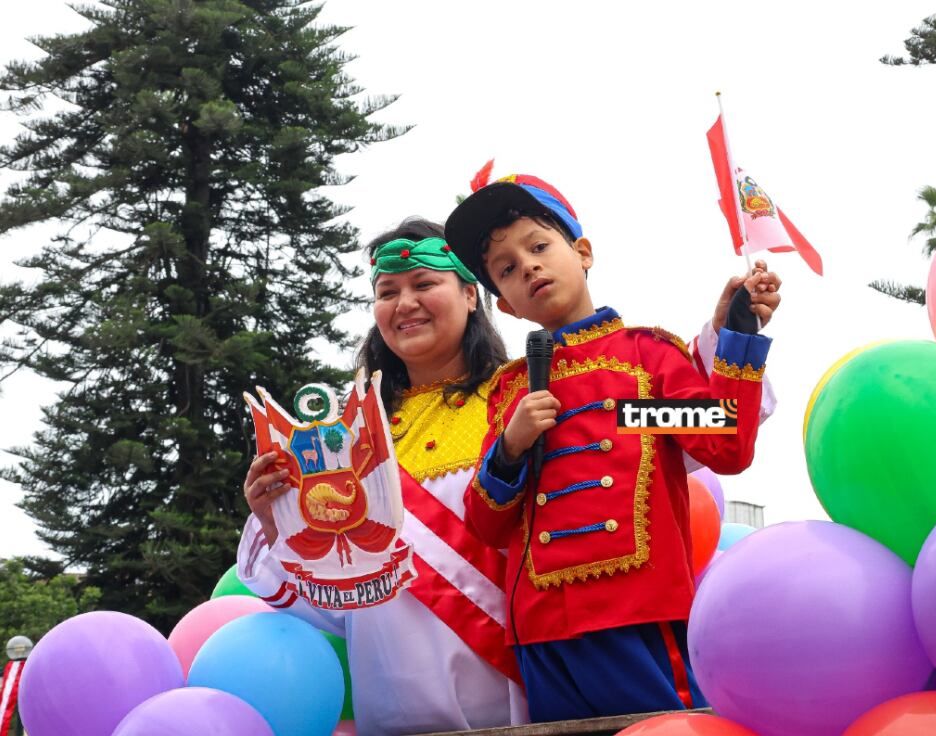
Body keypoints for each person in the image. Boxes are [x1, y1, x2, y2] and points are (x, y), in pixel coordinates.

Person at [445, 173, 778, 722]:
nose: (527, 266)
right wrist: (511, 448)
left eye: (538, 246)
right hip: (543, 631)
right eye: (506, 269)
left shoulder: (646, 361)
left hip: (640, 615)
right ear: (505, 305)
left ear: (583, 252)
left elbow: (725, 448)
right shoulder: (511, 390)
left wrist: (739, 337)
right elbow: (485, 524)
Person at [237, 218, 527, 735]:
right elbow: (334, 606)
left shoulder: (519, 402)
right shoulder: (342, 439)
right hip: (391, 714)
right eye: (387, 292)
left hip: (510, 705)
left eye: (424, 283)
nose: (404, 303)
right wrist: (275, 518)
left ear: (468, 294)